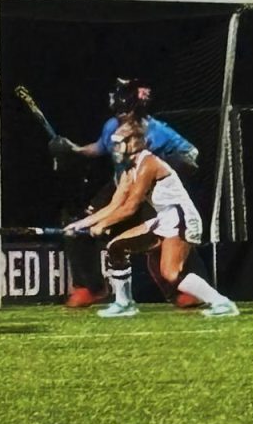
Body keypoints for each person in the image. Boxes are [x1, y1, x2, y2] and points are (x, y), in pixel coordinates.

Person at [51, 77, 206, 309]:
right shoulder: (113, 128)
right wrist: (73, 149)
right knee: (78, 223)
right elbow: (102, 155)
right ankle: (92, 288)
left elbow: (190, 156)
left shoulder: (156, 135)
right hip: (123, 184)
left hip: (149, 192)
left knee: (168, 239)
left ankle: (188, 289)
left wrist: (159, 171)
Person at [64, 118, 237, 318]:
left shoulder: (149, 163)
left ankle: (221, 302)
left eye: (119, 142)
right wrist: (80, 225)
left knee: (170, 273)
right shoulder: (129, 169)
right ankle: (124, 303)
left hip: (181, 218)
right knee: (116, 247)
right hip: (163, 219)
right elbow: (115, 204)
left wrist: (102, 225)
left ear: (134, 143)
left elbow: (130, 207)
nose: (115, 148)